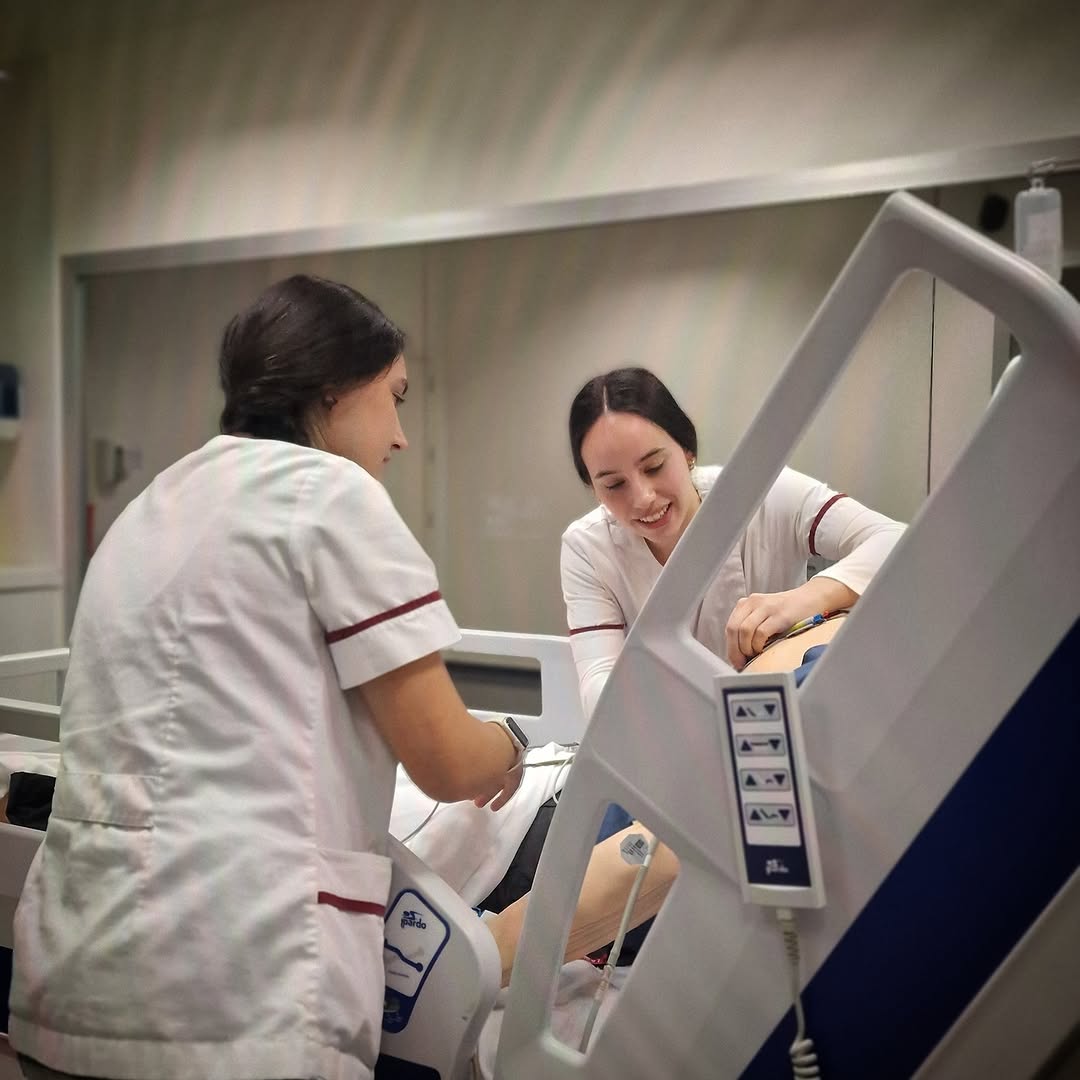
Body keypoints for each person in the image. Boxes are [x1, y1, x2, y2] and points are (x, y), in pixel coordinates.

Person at [8, 275, 526, 1080]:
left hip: (78, 974)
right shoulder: (332, 495)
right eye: (395, 396)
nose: (399, 435)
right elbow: (449, 764)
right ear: (333, 388)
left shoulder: (154, 504)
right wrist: (512, 745)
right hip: (243, 984)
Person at [561, 367, 905, 715]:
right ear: (593, 487)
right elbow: (598, 686)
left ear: (686, 450)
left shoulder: (760, 493)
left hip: (794, 717)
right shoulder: (588, 548)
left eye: (654, 467)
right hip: (677, 731)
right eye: (614, 485)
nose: (643, 498)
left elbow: (896, 540)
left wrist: (803, 600)